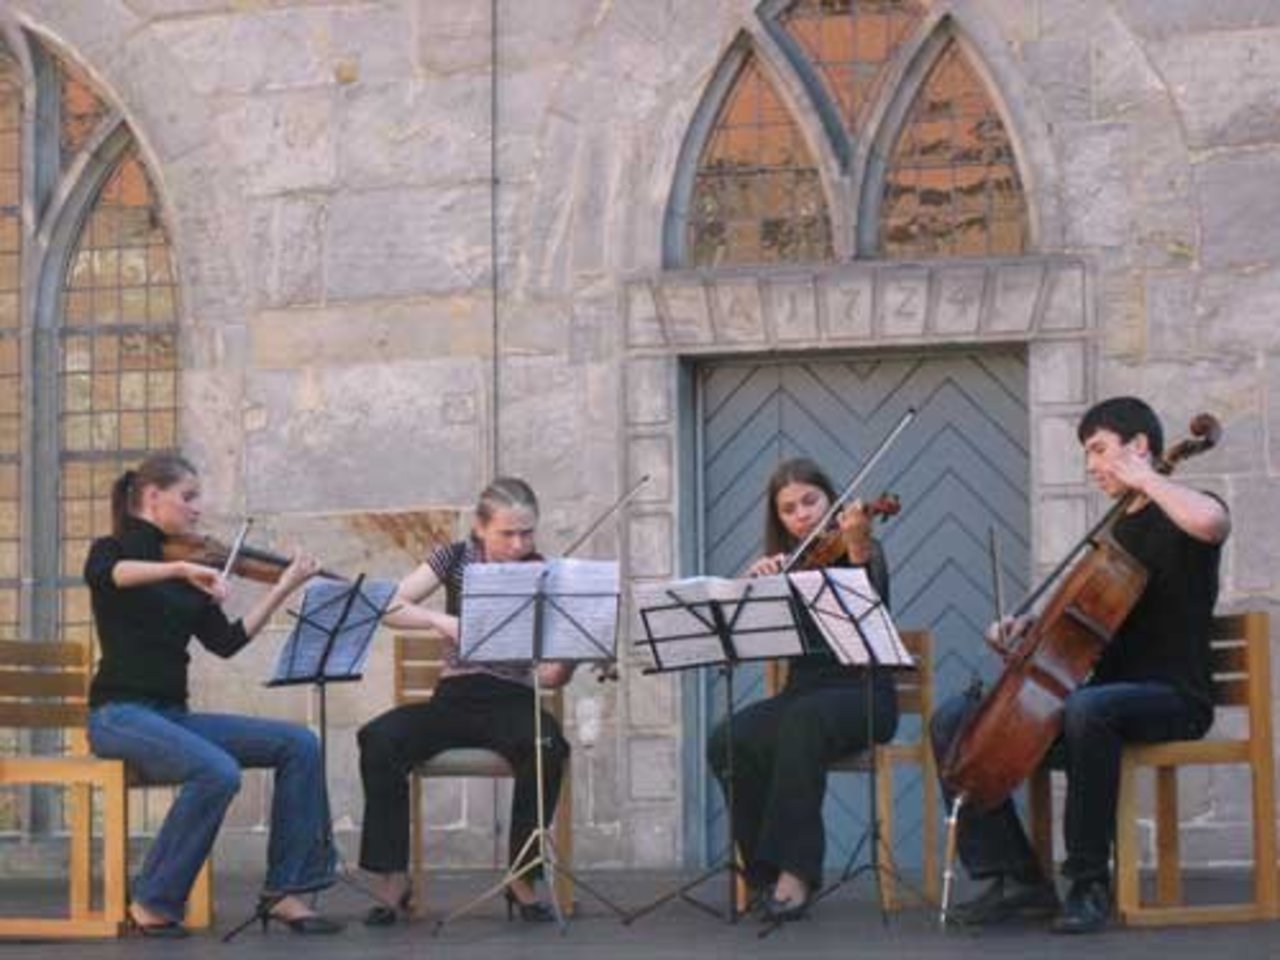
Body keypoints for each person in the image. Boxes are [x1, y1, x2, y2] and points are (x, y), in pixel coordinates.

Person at [930, 396, 1230, 934]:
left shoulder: (1185, 507)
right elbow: (1079, 627)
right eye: (1087, 454)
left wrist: (1148, 479)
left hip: (1173, 697)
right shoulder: (1114, 535)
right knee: (955, 720)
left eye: (1099, 450)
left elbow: (1212, 523)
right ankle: (1016, 878)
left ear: (1139, 447)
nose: (1091, 466)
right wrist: (1027, 633)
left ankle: (1089, 882)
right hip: (1098, 705)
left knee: (1090, 708)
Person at [85, 453, 342, 938]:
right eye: (188, 497)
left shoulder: (190, 569)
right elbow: (110, 576)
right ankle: (153, 901)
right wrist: (181, 569)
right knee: (216, 770)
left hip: (169, 717)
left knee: (299, 743)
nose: (197, 509)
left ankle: (286, 890)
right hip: (117, 715)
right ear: (152, 496)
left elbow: (226, 643)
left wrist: (284, 587)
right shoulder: (113, 551)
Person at [357, 477, 573, 924]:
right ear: (480, 526)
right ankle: (393, 879)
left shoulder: (544, 574)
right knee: (379, 738)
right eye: (507, 533)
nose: (518, 545)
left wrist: (575, 657)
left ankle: (523, 877)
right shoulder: (453, 558)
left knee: (548, 746)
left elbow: (550, 676)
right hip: (453, 699)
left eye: (527, 533)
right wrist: (445, 622)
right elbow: (387, 607)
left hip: (513, 699)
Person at [706, 457, 899, 922]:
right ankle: (762, 873)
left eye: (810, 501)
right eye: (788, 509)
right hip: (804, 694)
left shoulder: (864, 549)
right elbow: (745, 641)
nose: (802, 515)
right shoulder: (788, 567)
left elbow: (870, 606)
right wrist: (755, 594)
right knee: (729, 737)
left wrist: (855, 550)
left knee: (802, 722)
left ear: (831, 499)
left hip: (864, 693)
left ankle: (798, 871)